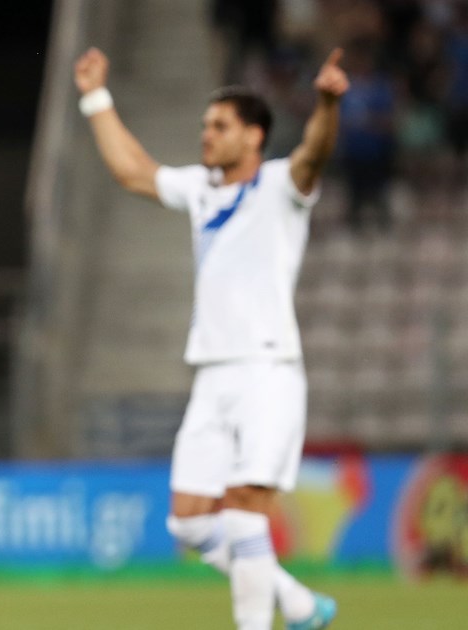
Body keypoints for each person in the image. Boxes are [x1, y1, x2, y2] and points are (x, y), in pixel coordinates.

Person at [73, 48, 347, 630]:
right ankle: (298, 603)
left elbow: (314, 154)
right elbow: (133, 171)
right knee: (191, 522)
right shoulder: (200, 188)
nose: (206, 135)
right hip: (212, 371)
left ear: (254, 136)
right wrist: (95, 96)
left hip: (267, 370)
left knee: (246, 512)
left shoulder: (280, 185)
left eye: (219, 126)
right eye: (204, 125)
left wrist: (326, 105)